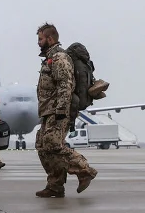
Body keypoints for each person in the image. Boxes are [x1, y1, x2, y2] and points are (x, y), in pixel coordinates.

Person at [33, 24, 97, 198]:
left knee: (54, 145)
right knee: (42, 146)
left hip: (58, 111)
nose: (38, 42)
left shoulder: (59, 58)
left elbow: (65, 85)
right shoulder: (49, 58)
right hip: (48, 111)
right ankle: (55, 185)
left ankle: (85, 170)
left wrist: (61, 110)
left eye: (40, 39)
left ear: (50, 39)